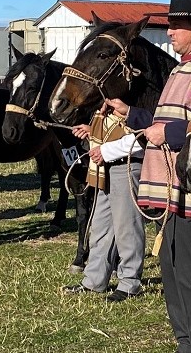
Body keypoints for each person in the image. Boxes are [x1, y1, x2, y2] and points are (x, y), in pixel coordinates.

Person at [103, 0, 191, 351]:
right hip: (172, 189)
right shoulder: (182, 68)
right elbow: (162, 123)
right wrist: (131, 112)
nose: (170, 31)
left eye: (177, 26)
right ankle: (186, 342)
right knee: (173, 271)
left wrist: (170, 134)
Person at [63, 109, 145, 302]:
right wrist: (93, 132)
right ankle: (94, 280)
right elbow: (114, 130)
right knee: (101, 226)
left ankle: (130, 283)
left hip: (126, 164)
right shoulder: (106, 106)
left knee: (127, 226)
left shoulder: (136, 103)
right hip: (104, 167)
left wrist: (106, 150)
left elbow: (141, 139)